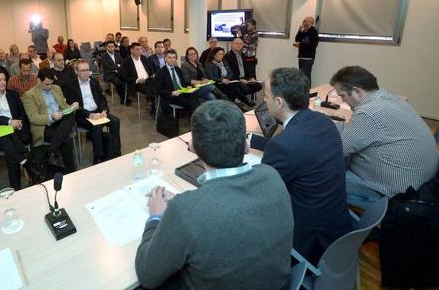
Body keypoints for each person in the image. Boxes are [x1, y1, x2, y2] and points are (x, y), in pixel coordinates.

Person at [135, 100, 293, 290]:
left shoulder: (186, 211)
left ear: (194, 147)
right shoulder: (271, 176)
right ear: (245, 145)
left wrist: (155, 217)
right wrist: (182, 205)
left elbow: (147, 274)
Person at [249, 68, 352, 265]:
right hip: (337, 226)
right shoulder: (323, 121)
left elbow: (259, 196)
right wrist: (251, 139)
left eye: (267, 96)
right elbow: (298, 149)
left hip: (308, 242)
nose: (265, 100)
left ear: (279, 102)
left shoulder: (284, 145)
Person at [330, 66, 439, 209]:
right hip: (424, 184)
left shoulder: (368, 113)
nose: (343, 101)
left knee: (318, 180)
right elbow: (352, 128)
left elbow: (337, 151)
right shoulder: (390, 99)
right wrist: (327, 126)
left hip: (398, 196)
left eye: (343, 95)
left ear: (357, 92)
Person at [64, 60, 121, 164]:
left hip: (98, 112)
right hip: (83, 115)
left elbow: (102, 98)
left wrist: (104, 110)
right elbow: (75, 107)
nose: (86, 73)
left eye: (87, 70)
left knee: (115, 121)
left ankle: (116, 151)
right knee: (96, 127)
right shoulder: (71, 86)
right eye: (82, 71)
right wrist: (90, 114)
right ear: (76, 71)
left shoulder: (94, 81)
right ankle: (99, 157)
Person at [22, 68, 78, 173]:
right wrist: (50, 117)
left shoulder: (56, 88)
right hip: (45, 126)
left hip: (61, 122)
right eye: (46, 84)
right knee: (66, 139)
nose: (49, 87)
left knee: (71, 115)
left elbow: (64, 107)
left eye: (51, 84)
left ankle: (50, 150)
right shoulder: (29, 95)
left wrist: (72, 106)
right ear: (38, 81)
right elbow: (33, 118)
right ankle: (71, 171)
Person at [155, 49, 200, 116]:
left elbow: (183, 83)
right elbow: (158, 89)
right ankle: (195, 121)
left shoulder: (177, 69)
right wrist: (171, 93)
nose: (172, 60)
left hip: (182, 91)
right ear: (165, 59)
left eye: (174, 57)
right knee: (191, 103)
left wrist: (188, 86)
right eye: (169, 57)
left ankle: (194, 119)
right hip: (171, 96)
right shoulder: (161, 72)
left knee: (195, 96)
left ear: (176, 59)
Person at [119, 42, 155, 114]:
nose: (139, 51)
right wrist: (137, 80)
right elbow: (124, 77)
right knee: (153, 88)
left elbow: (150, 69)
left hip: (148, 79)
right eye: (137, 49)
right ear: (131, 50)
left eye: (140, 49)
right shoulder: (126, 61)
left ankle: (152, 103)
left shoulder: (144, 58)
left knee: (157, 85)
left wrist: (153, 74)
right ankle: (153, 105)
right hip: (137, 83)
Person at [224, 38, 262, 104]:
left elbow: (248, 69)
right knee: (244, 88)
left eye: (240, 44)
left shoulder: (243, 55)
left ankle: (239, 97)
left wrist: (251, 78)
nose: (238, 45)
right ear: (232, 45)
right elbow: (229, 72)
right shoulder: (227, 56)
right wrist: (239, 79)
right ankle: (243, 100)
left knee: (258, 86)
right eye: (236, 44)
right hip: (235, 80)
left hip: (245, 78)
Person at [293, 16, 319, 86]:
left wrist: (300, 45)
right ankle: (303, 91)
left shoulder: (313, 32)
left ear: (310, 22)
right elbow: (297, 39)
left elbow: (313, 45)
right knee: (302, 76)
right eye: (303, 21)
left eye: (305, 21)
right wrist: (300, 31)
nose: (303, 22)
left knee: (306, 77)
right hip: (302, 57)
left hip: (308, 58)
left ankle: (307, 92)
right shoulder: (304, 31)